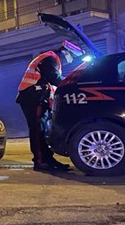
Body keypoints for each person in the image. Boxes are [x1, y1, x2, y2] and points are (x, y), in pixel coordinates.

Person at [16, 40, 83, 172]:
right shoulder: (49, 58)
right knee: (37, 130)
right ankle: (40, 161)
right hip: (33, 97)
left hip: (38, 97)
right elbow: (55, 79)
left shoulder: (52, 59)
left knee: (43, 130)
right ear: (65, 52)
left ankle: (48, 159)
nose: (70, 61)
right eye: (72, 57)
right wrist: (72, 85)